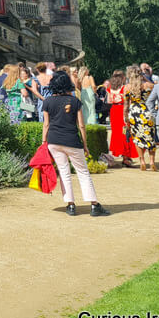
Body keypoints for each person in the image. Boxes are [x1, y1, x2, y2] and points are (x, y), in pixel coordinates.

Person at [42, 70, 110, 217]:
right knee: (83, 172)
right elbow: (81, 125)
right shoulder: (74, 101)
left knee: (64, 172)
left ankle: (70, 205)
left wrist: (43, 142)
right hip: (72, 140)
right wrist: (85, 144)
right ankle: (94, 204)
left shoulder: (47, 102)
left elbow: (46, 125)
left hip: (54, 141)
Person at [126, 66, 157, 170]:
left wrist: (125, 118)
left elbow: (125, 106)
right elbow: (156, 87)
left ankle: (142, 161)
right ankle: (152, 162)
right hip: (147, 111)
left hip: (134, 113)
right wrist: (145, 77)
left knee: (137, 138)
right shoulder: (148, 85)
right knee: (150, 137)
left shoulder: (127, 87)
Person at [106, 70, 138, 166]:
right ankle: (125, 157)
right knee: (125, 133)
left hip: (113, 110)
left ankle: (123, 154)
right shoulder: (124, 88)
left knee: (117, 133)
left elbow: (108, 101)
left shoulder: (109, 88)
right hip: (122, 110)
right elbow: (129, 100)